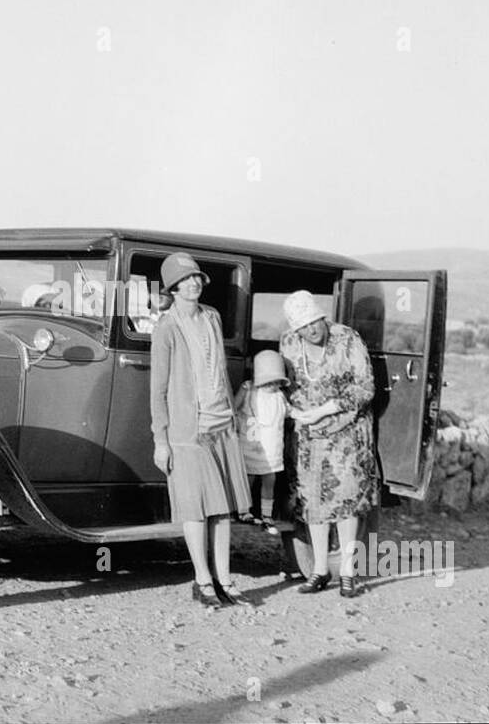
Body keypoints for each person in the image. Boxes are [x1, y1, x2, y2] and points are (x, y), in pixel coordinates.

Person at [149, 252, 254, 609]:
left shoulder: (213, 317)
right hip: (187, 432)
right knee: (194, 509)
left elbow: (218, 372)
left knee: (222, 509)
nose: (193, 283)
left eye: (196, 278)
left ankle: (225, 579)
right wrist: (160, 440)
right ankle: (202, 580)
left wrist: (233, 416)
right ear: (173, 289)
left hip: (221, 424)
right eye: (185, 280)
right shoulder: (166, 327)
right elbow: (158, 389)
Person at [279, 289, 379, 598]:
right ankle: (319, 570)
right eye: (304, 327)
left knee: (347, 501)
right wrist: (292, 410)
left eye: (315, 322)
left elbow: (365, 387)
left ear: (322, 316)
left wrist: (324, 410)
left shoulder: (347, 339)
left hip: (345, 432)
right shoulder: (289, 343)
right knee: (313, 502)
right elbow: (284, 382)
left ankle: (347, 572)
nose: (312, 330)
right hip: (308, 435)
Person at [234, 349, 289, 535]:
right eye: (268, 381)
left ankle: (267, 515)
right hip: (251, 445)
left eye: (276, 382)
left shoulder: (279, 396)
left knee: (269, 480)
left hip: (272, 448)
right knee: (247, 478)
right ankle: (243, 510)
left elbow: (289, 412)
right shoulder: (249, 392)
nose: (272, 386)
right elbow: (234, 407)